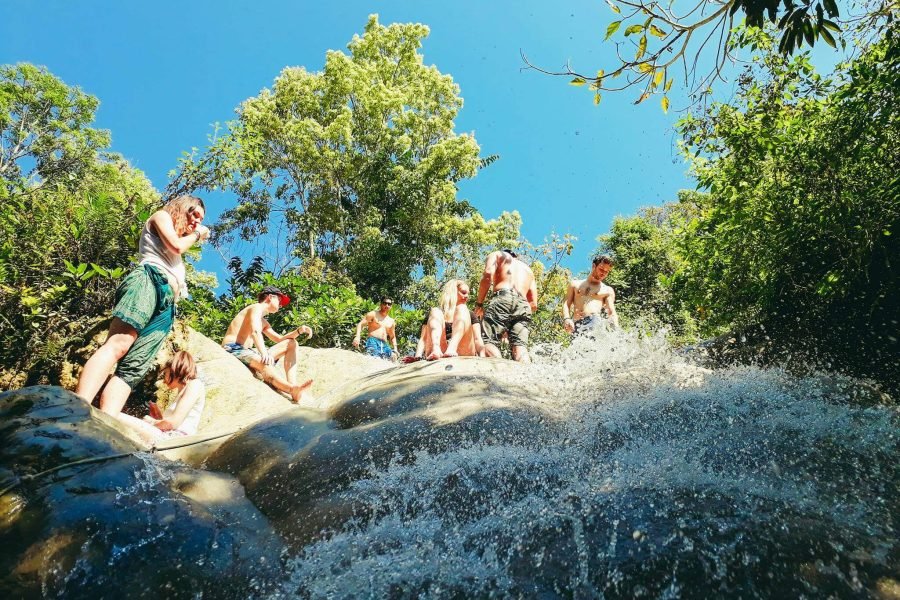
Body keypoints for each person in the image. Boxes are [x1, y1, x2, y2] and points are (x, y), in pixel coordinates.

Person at [76, 195, 209, 415]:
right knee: (119, 344)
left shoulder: (180, 248)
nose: (197, 222)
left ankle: (105, 420)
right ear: (182, 208)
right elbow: (176, 246)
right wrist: (197, 234)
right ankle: (77, 405)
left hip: (167, 305)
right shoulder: (161, 217)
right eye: (194, 214)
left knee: (133, 369)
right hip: (149, 280)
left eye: (201, 219)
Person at [221, 286, 314, 404]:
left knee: (292, 343)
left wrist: (299, 331)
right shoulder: (256, 308)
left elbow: (279, 339)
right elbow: (255, 331)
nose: (281, 305)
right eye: (279, 300)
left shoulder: (263, 321)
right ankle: (291, 390)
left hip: (249, 352)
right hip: (234, 348)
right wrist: (264, 353)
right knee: (264, 362)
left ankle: (293, 385)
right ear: (270, 297)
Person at [114, 351, 206, 445]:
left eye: (165, 373)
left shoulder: (195, 384)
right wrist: (157, 417)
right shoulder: (184, 391)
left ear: (174, 370)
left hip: (174, 439)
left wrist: (151, 422)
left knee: (115, 415)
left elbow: (172, 423)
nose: (163, 380)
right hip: (169, 437)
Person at [474, 249, 538, 363]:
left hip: (503, 297)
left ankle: (499, 370)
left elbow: (488, 274)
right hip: (523, 305)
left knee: (487, 341)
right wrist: (509, 323)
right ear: (516, 257)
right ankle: (525, 373)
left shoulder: (497, 254)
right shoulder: (528, 270)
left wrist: (479, 304)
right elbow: (533, 304)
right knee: (520, 347)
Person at [418, 279, 477, 360]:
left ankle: (452, 348)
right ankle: (436, 349)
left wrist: (483, 357)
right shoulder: (435, 314)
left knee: (462, 308)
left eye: (468, 294)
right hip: (440, 351)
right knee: (435, 311)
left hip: (463, 350)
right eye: (463, 292)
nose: (467, 296)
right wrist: (417, 357)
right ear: (453, 292)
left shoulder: (470, 314)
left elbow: (477, 339)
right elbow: (423, 339)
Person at [562, 255, 619, 335]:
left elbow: (611, 312)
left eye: (606, 272)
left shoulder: (607, 290)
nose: (603, 273)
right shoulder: (575, 284)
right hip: (576, 325)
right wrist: (567, 318)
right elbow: (566, 304)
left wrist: (616, 331)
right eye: (601, 269)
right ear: (593, 266)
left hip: (594, 321)